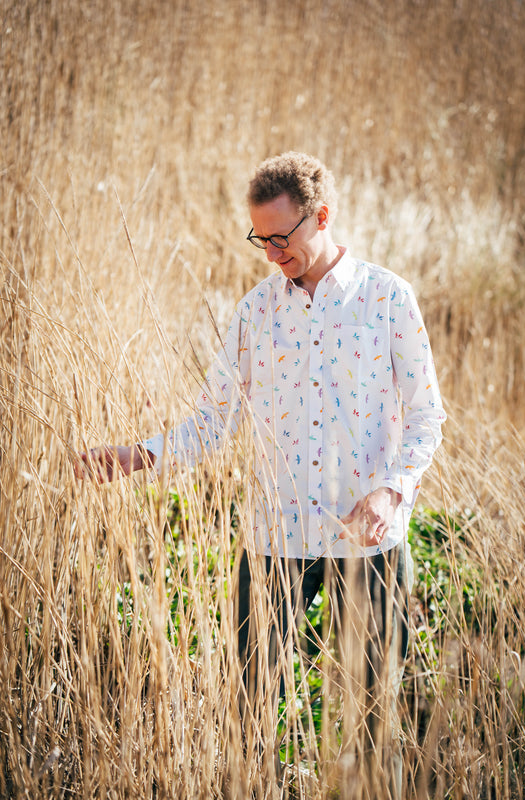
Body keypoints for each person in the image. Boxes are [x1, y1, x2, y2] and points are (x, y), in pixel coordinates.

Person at [77, 152, 446, 798]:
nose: (272, 253)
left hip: (367, 543)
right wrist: (139, 454)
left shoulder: (387, 299)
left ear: (321, 216)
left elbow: (425, 418)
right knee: (251, 711)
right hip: (273, 539)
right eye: (261, 240)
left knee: (376, 712)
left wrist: (393, 491)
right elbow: (211, 421)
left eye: (282, 237)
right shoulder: (254, 312)